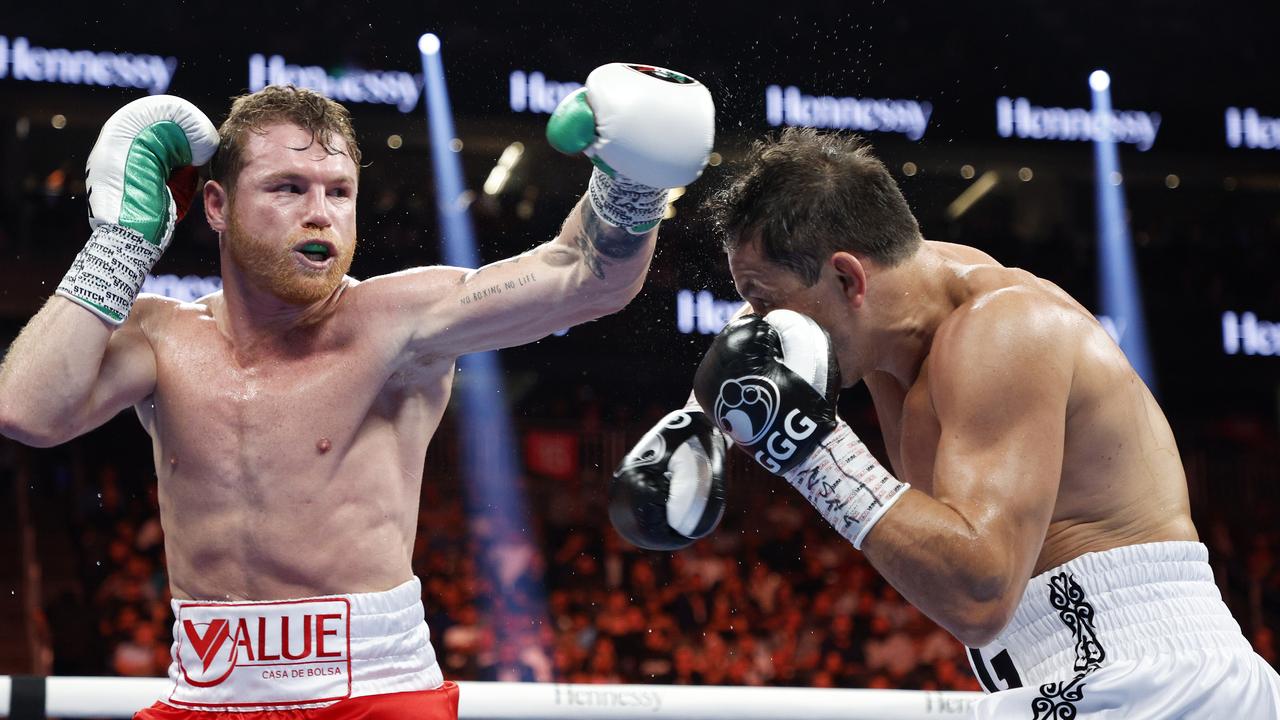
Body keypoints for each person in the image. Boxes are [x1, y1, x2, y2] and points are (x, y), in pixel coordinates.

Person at [0, 64, 713, 718]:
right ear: (214, 205)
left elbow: (585, 276)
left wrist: (634, 181)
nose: (321, 214)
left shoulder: (397, 323)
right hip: (203, 693)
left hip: (373, 694)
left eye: (339, 193)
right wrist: (118, 246)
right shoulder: (161, 337)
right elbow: (25, 410)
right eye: (288, 188)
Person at [613, 127, 1280, 718]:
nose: (756, 322)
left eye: (761, 298)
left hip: (1152, 682)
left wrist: (810, 449)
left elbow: (979, 595)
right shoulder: (877, 319)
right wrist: (695, 421)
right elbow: (753, 339)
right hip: (1071, 675)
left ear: (848, 280)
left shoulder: (1005, 331)